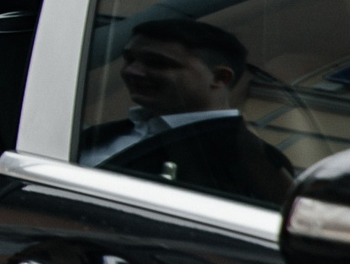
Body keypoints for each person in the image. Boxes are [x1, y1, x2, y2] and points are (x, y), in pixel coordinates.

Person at [78, 18, 293, 204]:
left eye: (158, 63)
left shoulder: (252, 160)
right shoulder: (102, 132)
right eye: (130, 59)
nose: (132, 71)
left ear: (219, 78)